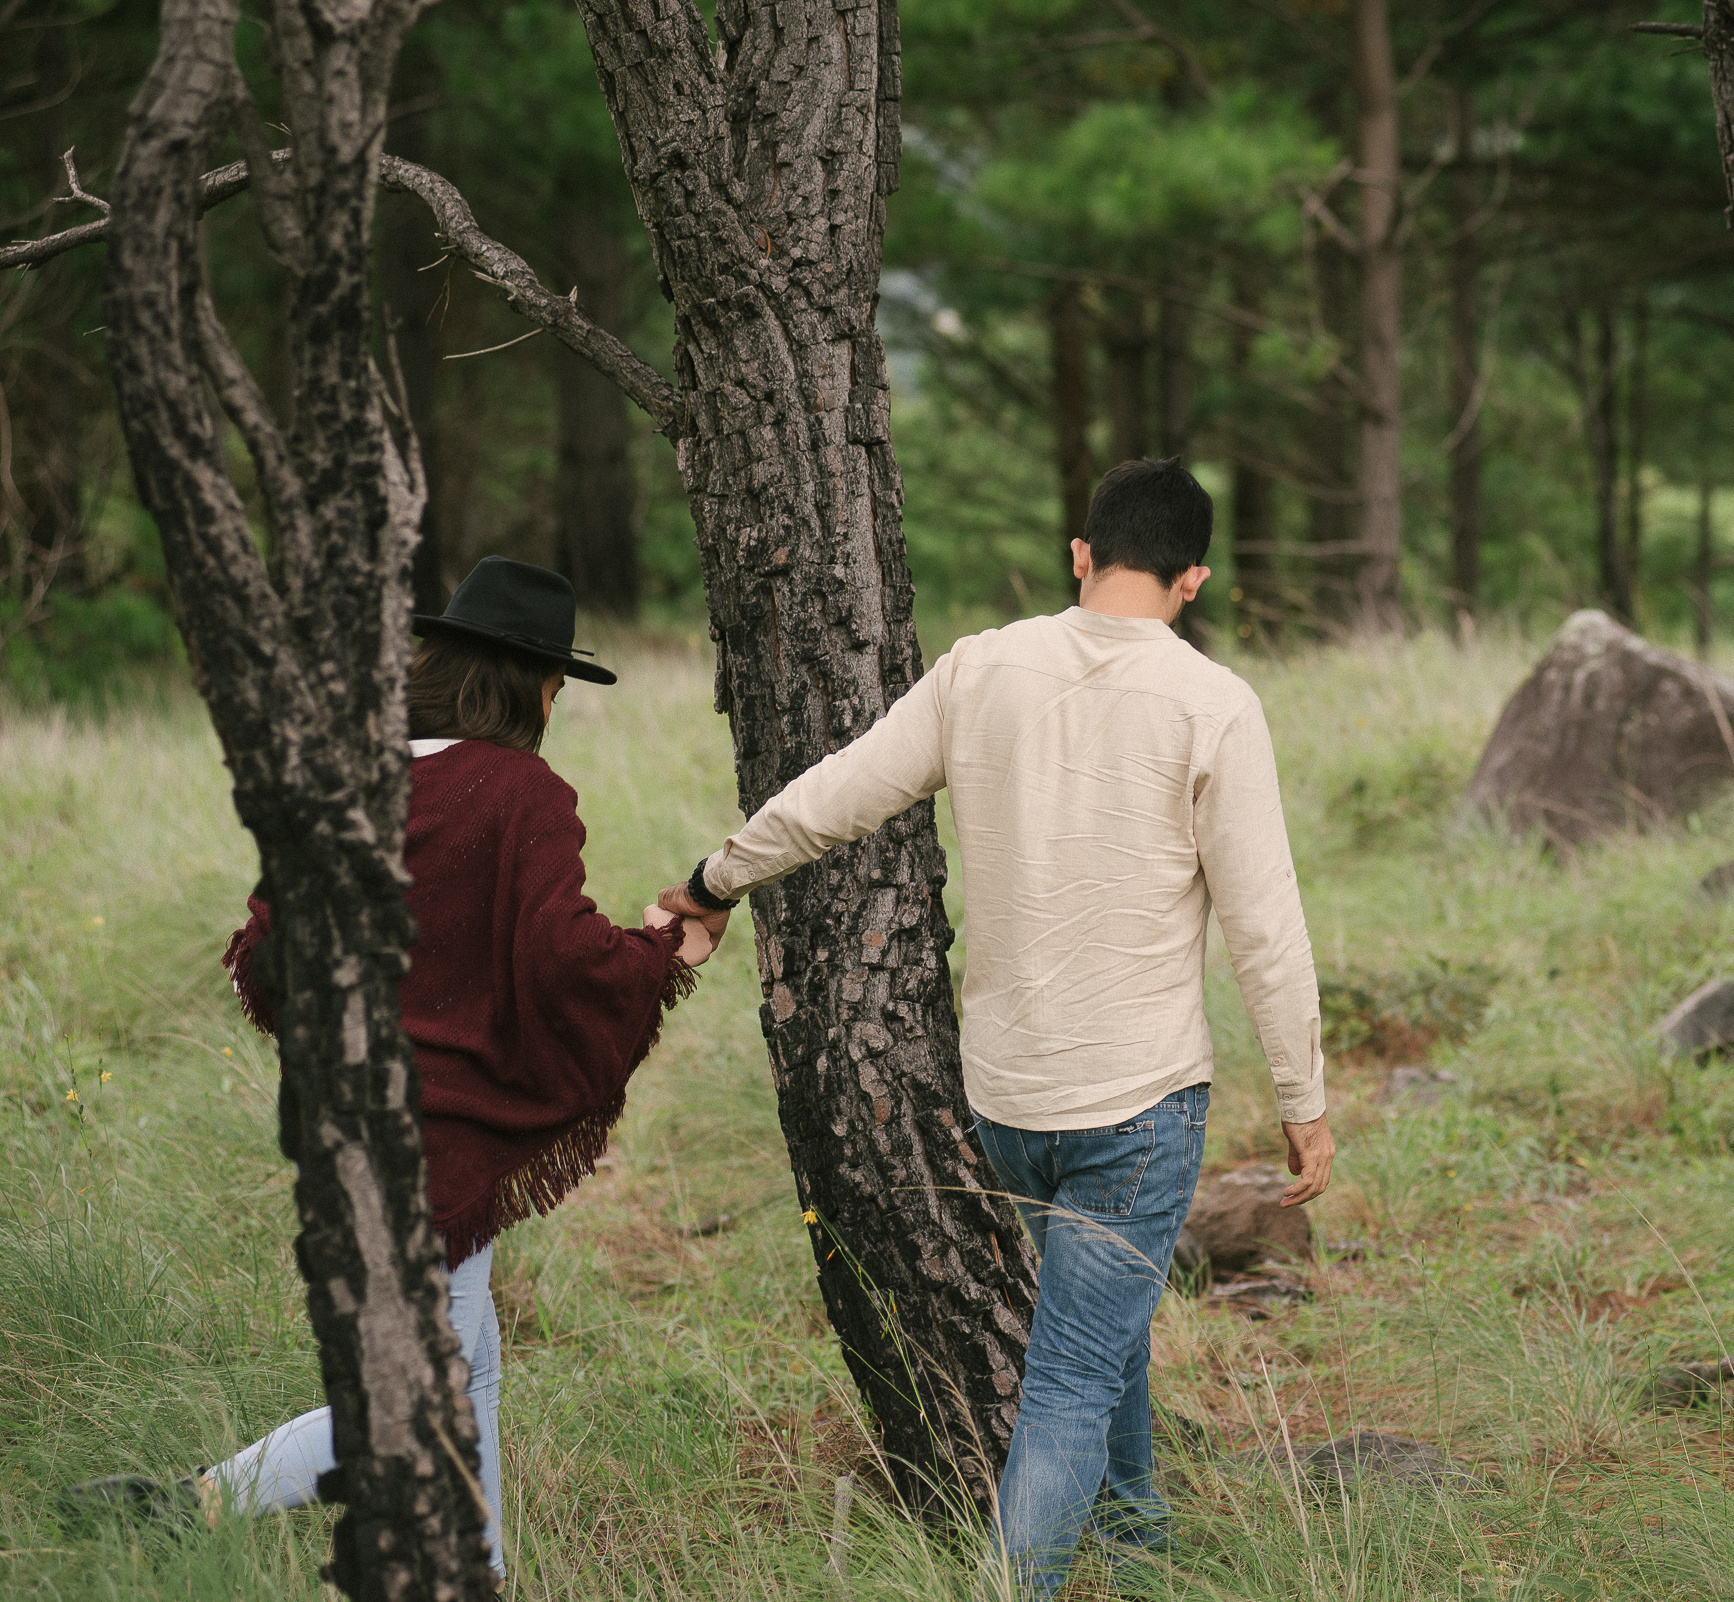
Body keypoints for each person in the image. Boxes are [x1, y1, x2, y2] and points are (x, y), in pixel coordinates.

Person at [658, 458, 1334, 1597]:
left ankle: (1137, 1542)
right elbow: (1267, 928)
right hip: (1137, 1105)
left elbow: (839, 793)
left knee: (1093, 1331)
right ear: (1195, 579)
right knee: (1070, 1372)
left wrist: (715, 882)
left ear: (1083, 555)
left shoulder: (982, 668)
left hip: (1007, 1102)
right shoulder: (1214, 703)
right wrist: (1305, 1103)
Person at [62, 558, 720, 1579]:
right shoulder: (519, 790)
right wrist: (665, 953)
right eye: (553, 686)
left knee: (467, 1373)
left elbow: (270, 941)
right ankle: (194, 1506)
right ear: (532, 683)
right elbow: (560, 957)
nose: (553, 707)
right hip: (440, 1148)